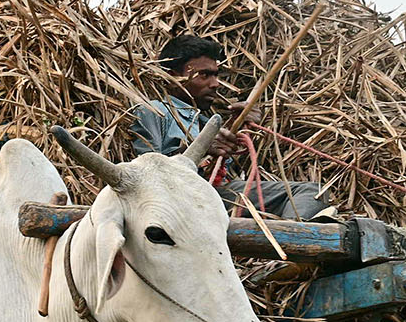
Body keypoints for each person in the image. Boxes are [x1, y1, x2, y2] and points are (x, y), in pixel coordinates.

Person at [130, 35, 328, 219]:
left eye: (216, 75)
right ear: (173, 76)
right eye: (204, 75)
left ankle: (287, 244)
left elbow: (220, 172)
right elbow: (145, 172)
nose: (215, 84)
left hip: (216, 196)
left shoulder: (206, 122)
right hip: (178, 201)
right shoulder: (153, 111)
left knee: (313, 192)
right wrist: (200, 148)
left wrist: (236, 126)